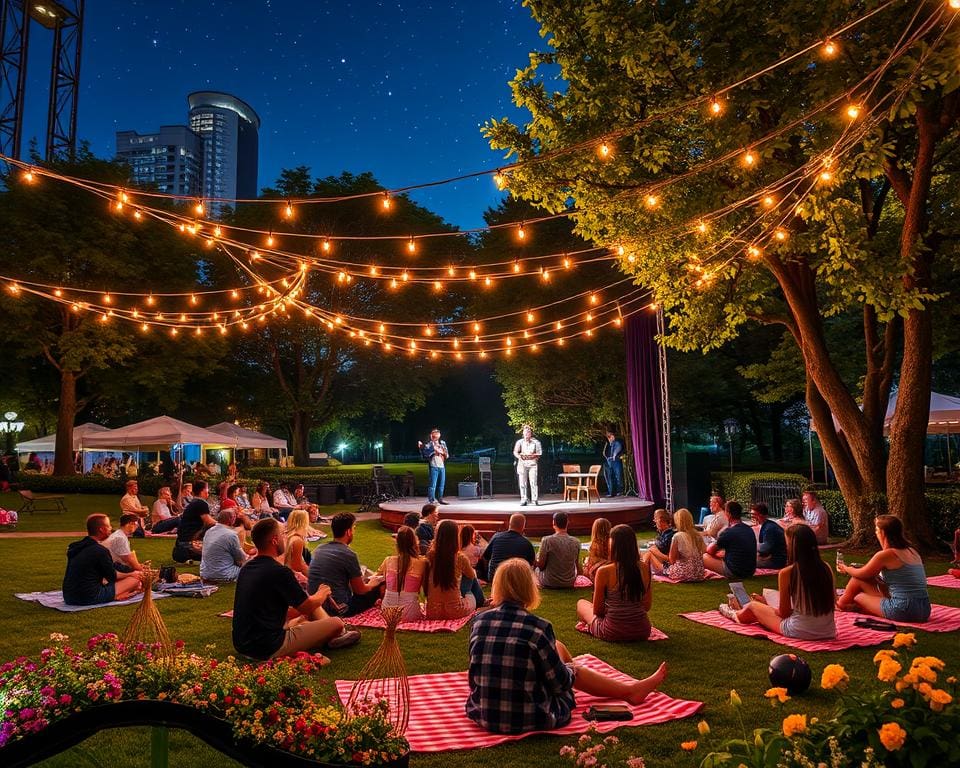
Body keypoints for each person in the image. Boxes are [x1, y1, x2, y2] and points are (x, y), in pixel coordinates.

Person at [466, 557, 669, 734]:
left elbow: (474, 678)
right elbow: (560, 683)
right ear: (529, 587)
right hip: (533, 717)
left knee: (558, 648)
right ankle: (630, 691)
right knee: (571, 670)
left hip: (484, 713)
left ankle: (629, 690)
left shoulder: (479, 622)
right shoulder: (538, 627)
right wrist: (571, 671)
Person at [232, 518, 358, 660]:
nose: (285, 537)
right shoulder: (279, 572)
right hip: (267, 646)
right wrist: (323, 593)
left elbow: (273, 608)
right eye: (283, 534)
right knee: (336, 622)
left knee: (308, 611)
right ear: (274, 540)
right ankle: (337, 633)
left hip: (242, 643)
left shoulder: (246, 568)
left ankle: (335, 634)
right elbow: (307, 606)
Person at [720, 525, 836, 640]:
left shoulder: (788, 573)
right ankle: (741, 611)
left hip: (799, 630)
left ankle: (733, 613)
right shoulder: (826, 568)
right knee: (759, 610)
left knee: (753, 606)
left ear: (793, 547)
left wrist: (767, 605)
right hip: (827, 631)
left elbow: (783, 614)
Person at [837, 514, 931, 622]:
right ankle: (847, 604)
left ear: (883, 533)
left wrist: (846, 568)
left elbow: (861, 574)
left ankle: (841, 604)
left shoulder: (886, 555)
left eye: (876, 530)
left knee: (858, 595)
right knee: (865, 583)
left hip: (904, 609)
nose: (876, 533)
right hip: (924, 609)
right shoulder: (912, 551)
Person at [577, 524, 653, 641]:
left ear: (613, 545)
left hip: (612, 631)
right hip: (642, 630)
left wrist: (615, 610)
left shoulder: (604, 571)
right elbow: (646, 606)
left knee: (581, 604)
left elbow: (597, 610)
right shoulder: (644, 568)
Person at [307, 512, 385, 616]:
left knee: (362, 573)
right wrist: (372, 584)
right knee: (380, 584)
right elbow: (360, 590)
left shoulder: (319, 549)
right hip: (338, 608)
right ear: (348, 531)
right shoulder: (348, 554)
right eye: (354, 528)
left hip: (316, 605)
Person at [63, 514, 143, 606]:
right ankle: (116, 595)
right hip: (87, 597)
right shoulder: (100, 551)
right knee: (135, 579)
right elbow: (113, 576)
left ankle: (118, 593)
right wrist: (132, 573)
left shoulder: (77, 546)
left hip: (69, 596)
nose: (111, 528)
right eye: (108, 526)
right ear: (102, 529)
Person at [426, 519, 480, 619]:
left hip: (433, 612)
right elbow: (471, 576)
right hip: (455, 612)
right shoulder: (460, 558)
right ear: (456, 537)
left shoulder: (430, 556)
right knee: (471, 577)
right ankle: (481, 600)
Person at [378, 525, 428, 621]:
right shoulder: (422, 562)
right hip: (410, 614)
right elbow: (426, 590)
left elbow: (376, 579)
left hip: (387, 612)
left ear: (397, 543)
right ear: (415, 542)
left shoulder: (388, 561)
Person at [703, 501, 756, 578]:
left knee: (704, 556)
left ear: (728, 514)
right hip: (750, 571)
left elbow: (710, 550)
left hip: (735, 572)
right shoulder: (749, 529)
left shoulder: (729, 532)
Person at [482, 513, 536, 583]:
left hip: (495, 578)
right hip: (515, 580)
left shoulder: (496, 537)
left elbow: (485, 557)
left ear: (509, 524)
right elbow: (530, 564)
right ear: (523, 526)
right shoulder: (526, 543)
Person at [200, 508, 249, 583]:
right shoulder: (231, 535)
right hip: (224, 574)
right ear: (231, 519)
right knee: (255, 564)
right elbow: (241, 559)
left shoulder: (209, 531)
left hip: (205, 574)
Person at [535, 512, 582, 589]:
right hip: (569, 582)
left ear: (553, 523)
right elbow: (577, 566)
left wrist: (535, 560)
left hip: (549, 582)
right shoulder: (576, 541)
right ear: (567, 523)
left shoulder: (547, 540)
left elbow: (541, 566)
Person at [173, 479, 216, 563]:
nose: (208, 491)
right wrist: (225, 525)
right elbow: (209, 522)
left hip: (182, 542)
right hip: (189, 543)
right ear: (203, 490)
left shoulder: (194, 502)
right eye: (207, 489)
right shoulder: (201, 503)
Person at [659, 508, 706, 582]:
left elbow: (672, 560)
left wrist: (657, 552)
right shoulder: (698, 535)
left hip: (684, 573)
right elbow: (703, 551)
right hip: (699, 573)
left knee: (651, 553)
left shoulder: (678, 536)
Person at [513, 425, 542, 506]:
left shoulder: (536, 442)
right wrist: (519, 456)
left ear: (530, 434)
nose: (526, 435)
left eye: (528, 433)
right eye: (525, 433)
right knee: (522, 482)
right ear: (523, 434)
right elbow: (515, 452)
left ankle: (535, 499)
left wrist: (532, 456)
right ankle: (524, 499)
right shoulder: (519, 442)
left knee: (533, 482)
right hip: (522, 463)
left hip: (532, 463)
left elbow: (539, 453)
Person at [419, 428, 450, 505]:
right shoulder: (429, 444)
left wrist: (441, 452)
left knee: (441, 484)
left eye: (437, 433)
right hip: (434, 466)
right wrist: (422, 447)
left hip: (441, 466)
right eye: (433, 434)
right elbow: (425, 454)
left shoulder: (442, 443)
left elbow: (447, 455)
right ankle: (431, 500)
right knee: (433, 484)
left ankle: (440, 499)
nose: (435, 436)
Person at [754, 502, 787, 569]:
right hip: (773, 557)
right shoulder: (768, 525)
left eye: (753, 515)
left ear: (760, 515)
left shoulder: (769, 528)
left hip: (776, 561)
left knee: (745, 561)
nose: (752, 517)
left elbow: (765, 548)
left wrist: (751, 544)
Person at [283, 509, 314, 579]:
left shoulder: (287, 536)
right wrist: (313, 578)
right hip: (294, 575)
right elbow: (297, 566)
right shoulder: (297, 540)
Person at [602, 429, 624, 497]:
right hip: (609, 461)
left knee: (618, 476)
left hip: (615, 461)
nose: (611, 438)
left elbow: (618, 448)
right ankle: (611, 492)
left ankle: (620, 491)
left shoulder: (616, 443)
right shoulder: (608, 443)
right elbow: (604, 452)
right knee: (610, 477)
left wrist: (614, 455)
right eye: (609, 437)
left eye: (611, 436)